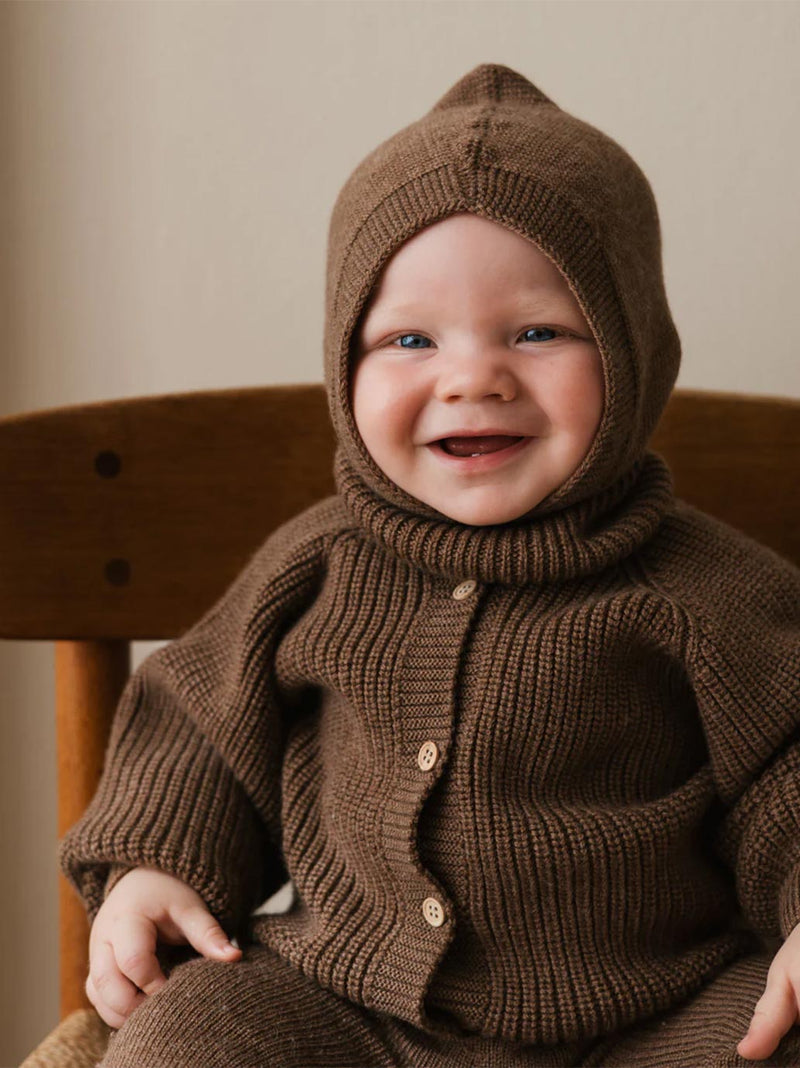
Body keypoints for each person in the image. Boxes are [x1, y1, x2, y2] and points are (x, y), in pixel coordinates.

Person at [59, 63, 800, 1067]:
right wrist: (158, 865)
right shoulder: (315, 566)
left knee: (772, 1032)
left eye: (535, 332)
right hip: (348, 1013)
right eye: (409, 339)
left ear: (632, 354)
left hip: (644, 1022)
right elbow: (200, 722)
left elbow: (784, 780)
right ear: (342, 366)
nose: (470, 378)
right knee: (190, 1033)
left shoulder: (706, 594)